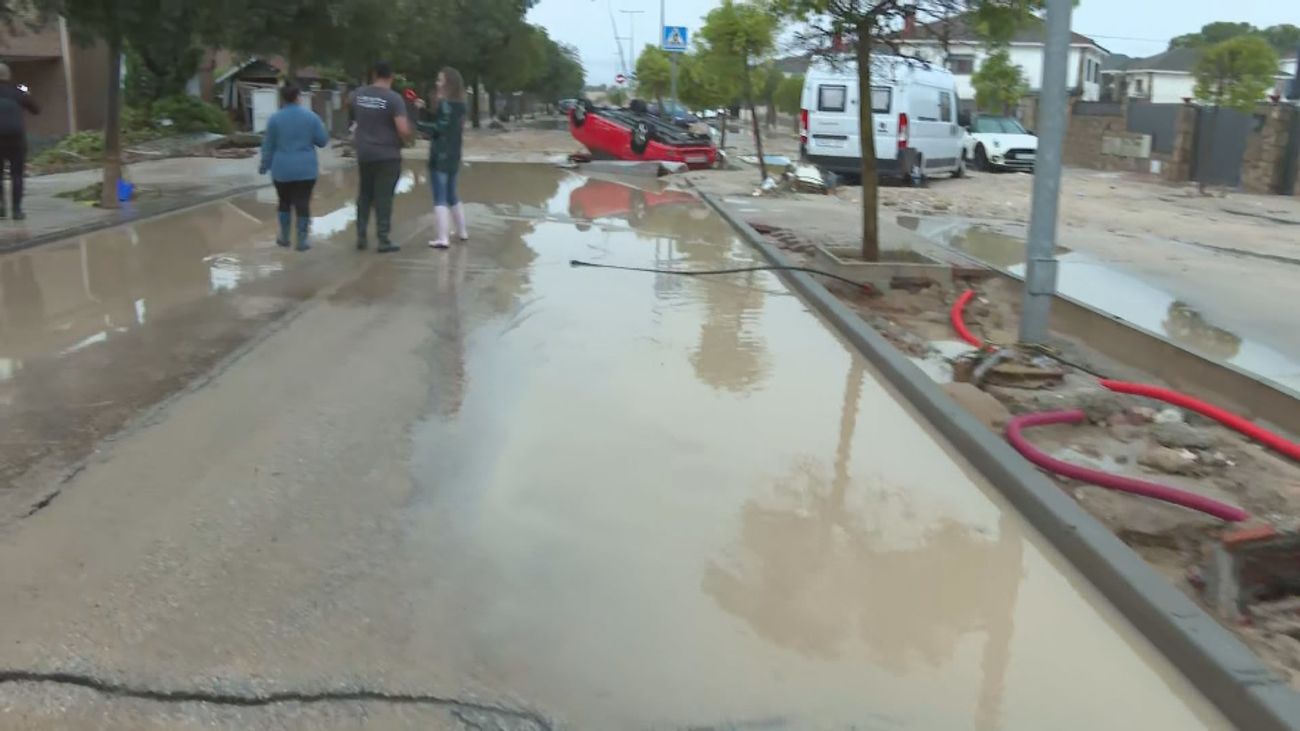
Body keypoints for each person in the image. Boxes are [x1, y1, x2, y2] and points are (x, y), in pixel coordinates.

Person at [259, 83, 329, 251]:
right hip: (306, 170)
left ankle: (284, 237)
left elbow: (268, 145)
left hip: (281, 169)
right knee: (302, 203)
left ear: (282, 98)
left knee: (284, 202)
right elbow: (322, 141)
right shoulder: (311, 117)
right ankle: (302, 240)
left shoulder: (274, 119)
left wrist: (264, 165)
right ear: (298, 97)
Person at [351, 61, 411, 253]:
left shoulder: (358, 94)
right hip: (387, 155)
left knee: (365, 195)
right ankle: (383, 239)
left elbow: (347, 104)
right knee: (383, 197)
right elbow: (402, 129)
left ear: (374, 74)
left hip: (364, 153)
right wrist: (408, 137)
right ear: (391, 77)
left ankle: (361, 236)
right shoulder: (394, 99)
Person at [416, 67, 468, 249]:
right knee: (452, 194)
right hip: (454, 154)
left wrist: (418, 124)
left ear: (448, 84)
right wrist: (425, 110)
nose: (437, 83)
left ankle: (442, 238)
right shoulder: (460, 105)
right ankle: (462, 232)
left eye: (440, 80)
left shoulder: (445, 103)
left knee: (439, 196)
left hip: (440, 155)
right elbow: (444, 122)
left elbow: (439, 127)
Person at [0, 63, 40, 221]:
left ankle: (1, 209)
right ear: (8, 76)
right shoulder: (18, 90)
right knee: (17, 175)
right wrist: (26, 91)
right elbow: (36, 109)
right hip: (16, 140)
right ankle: (17, 210)